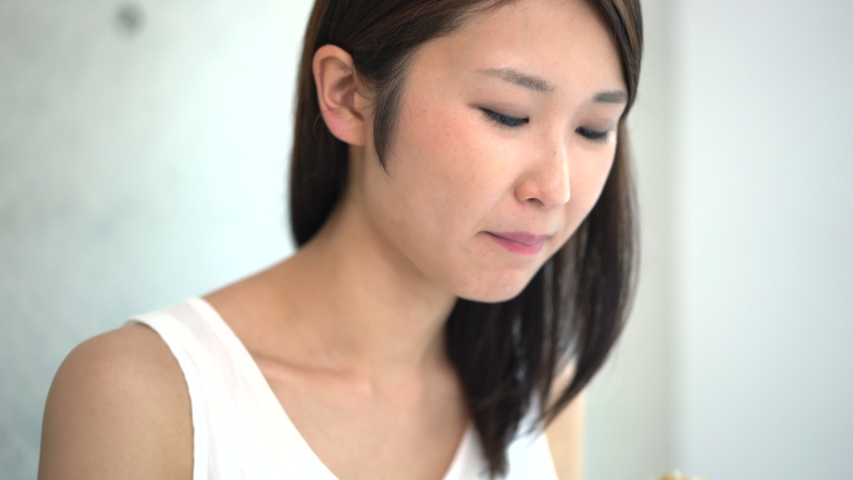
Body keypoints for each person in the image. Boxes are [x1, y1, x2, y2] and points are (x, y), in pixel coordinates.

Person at [37, 0, 643, 478]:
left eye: (594, 129)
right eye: (508, 114)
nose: (556, 188)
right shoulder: (144, 398)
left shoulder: (540, 397)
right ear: (347, 94)